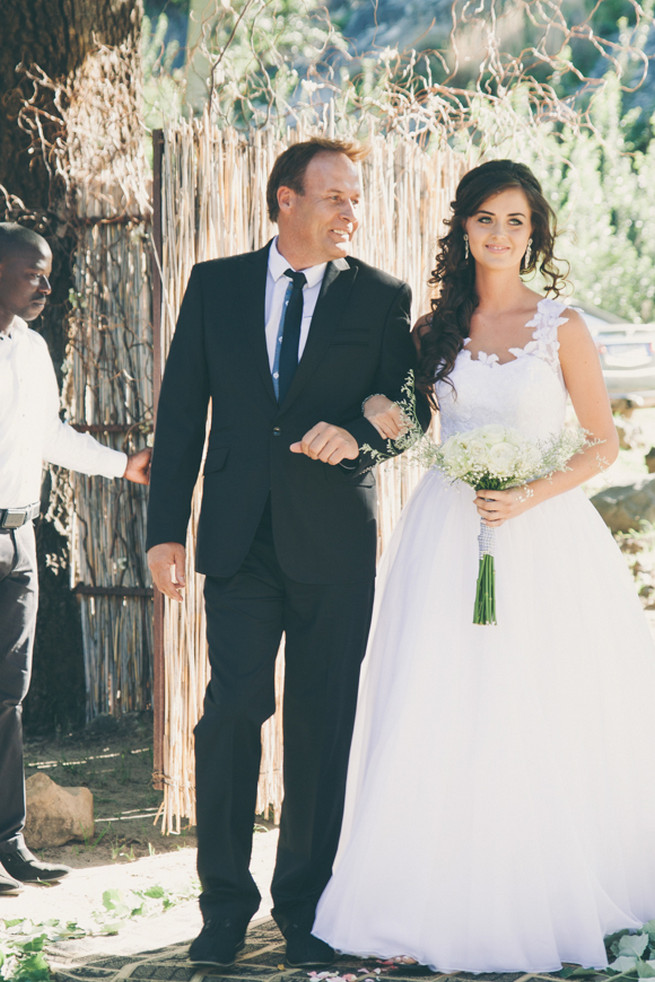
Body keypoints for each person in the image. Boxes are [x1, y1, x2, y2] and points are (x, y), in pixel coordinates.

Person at [313, 159, 655, 973]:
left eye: (517, 222)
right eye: (485, 220)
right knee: (443, 701)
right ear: (461, 228)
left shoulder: (563, 326)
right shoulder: (435, 328)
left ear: (533, 234)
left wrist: (528, 493)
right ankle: (430, 895)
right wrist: (375, 411)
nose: (501, 235)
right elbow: (404, 419)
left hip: (542, 540)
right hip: (446, 535)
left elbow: (602, 443)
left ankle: (544, 886)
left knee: (538, 702)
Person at [146, 138, 428, 969]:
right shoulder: (215, 284)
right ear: (285, 200)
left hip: (334, 543)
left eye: (355, 198)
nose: (350, 212)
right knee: (231, 714)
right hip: (237, 540)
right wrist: (165, 527)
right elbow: (178, 412)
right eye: (333, 196)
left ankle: (303, 909)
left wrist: (360, 439)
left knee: (320, 724)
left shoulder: (380, 296)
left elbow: (410, 412)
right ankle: (224, 907)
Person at [0, 222, 151, 897]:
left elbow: (49, 435)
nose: (46, 286)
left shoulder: (32, 351)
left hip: (17, 540)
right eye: (35, 273)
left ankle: (8, 844)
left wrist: (124, 466)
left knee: (7, 699)